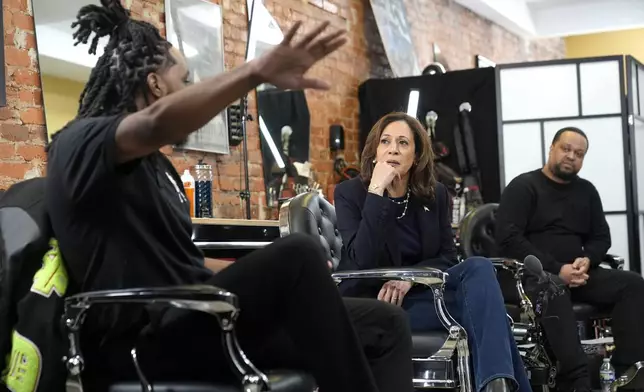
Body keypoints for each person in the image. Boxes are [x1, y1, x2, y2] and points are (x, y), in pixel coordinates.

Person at [44, 1, 414, 391]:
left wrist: (271, 271)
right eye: (184, 80)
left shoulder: (153, 167)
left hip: (194, 319)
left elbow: (182, 260)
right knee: (299, 251)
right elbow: (154, 123)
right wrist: (255, 71)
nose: (189, 89)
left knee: (384, 324)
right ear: (155, 84)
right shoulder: (79, 143)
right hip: (143, 338)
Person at [333, 112, 532, 392]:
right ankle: (498, 386)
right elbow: (362, 259)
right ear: (375, 150)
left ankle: (495, 387)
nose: (392, 148)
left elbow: (448, 257)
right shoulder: (350, 193)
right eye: (386, 142)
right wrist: (377, 192)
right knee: (490, 313)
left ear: (416, 156)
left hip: (424, 295)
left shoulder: (435, 194)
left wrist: (410, 277)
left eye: (403, 143)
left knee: (478, 267)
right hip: (376, 302)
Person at [495, 126, 644, 392]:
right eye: (566, 149)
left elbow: (601, 237)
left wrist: (587, 260)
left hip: (578, 272)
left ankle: (627, 371)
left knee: (633, 284)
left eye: (579, 153)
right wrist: (556, 269)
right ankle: (577, 380)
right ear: (551, 148)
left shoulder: (586, 191)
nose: (571, 156)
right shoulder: (524, 186)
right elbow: (509, 239)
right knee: (553, 286)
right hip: (533, 274)